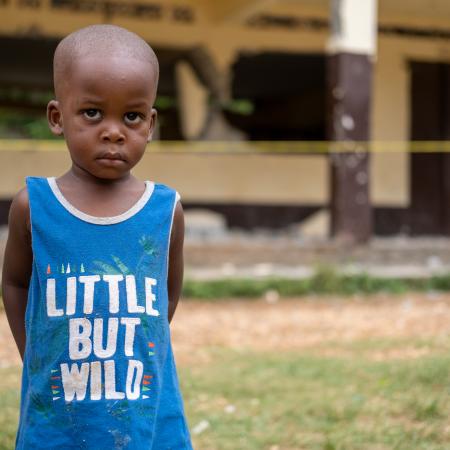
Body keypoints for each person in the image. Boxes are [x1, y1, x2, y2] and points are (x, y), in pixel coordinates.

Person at [1, 24, 193, 449]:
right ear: (57, 117)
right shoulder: (34, 206)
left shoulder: (165, 211)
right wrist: (36, 355)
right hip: (58, 413)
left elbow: (165, 299)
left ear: (151, 123)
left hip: (145, 413)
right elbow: (15, 284)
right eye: (92, 113)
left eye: (132, 116)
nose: (113, 131)